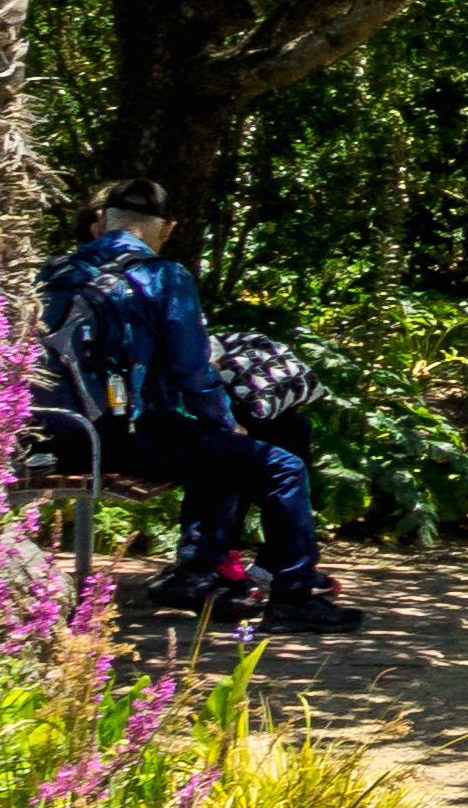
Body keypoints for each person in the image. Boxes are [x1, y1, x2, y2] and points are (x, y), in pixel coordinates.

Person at [46, 182, 358, 635]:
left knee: (216, 456)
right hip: (130, 437)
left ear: (101, 223)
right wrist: (227, 424)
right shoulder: (163, 276)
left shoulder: (51, 271)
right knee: (281, 467)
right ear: (166, 229)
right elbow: (193, 371)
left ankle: (195, 575)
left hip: (59, 439)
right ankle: (292, 598)